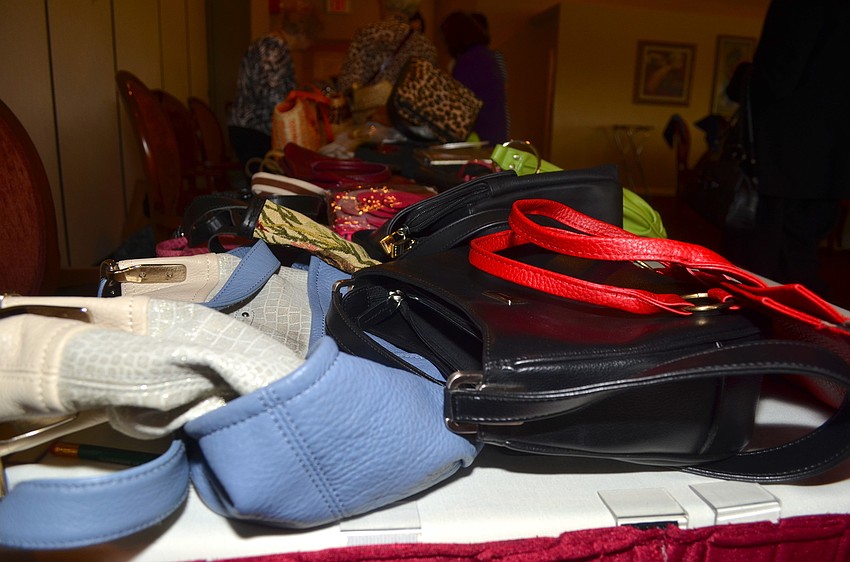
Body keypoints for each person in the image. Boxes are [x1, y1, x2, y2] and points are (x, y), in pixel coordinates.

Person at [734, 0, 850, 298]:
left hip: (788, 157)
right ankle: (814, 335)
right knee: (801, 251)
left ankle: (796, 335)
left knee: (770, 263)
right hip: (831, 160)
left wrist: (745, 78)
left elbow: (778, 77)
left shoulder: (799, 6)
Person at [336, 0, 437, 97]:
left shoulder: (368, 34)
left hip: (371, 111)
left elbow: (347, 83)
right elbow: (429, 91)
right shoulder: (426, 45)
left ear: (384, 3)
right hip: (407, 112)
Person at [228, 29, 297, 168]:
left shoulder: (269, 45)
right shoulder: (272, 46)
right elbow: (273, 95)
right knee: (263, 183)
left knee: (262, 182)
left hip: (250, 127)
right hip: (254, 128)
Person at [440, 11, 508, 145]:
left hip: (479, 139)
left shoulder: (468, 61)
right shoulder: (487, 56)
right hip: (493, 136)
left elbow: (457, 109)